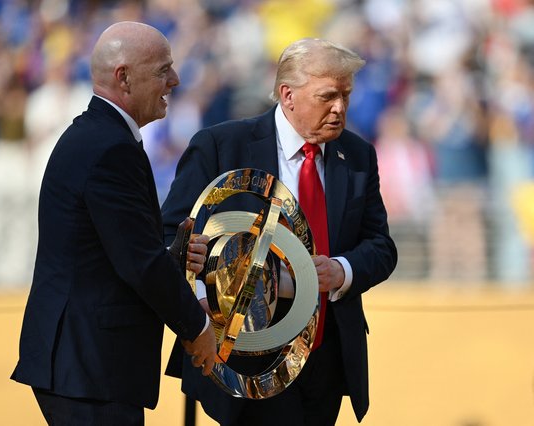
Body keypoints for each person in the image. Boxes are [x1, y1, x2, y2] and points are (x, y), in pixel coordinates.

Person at [162, 38, 398, 425]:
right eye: (328, 96)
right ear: (287, 95)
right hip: (242, 348)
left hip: (325, 354)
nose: (340, 108)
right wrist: (202, 301)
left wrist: (343, 270)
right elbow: (171, 234)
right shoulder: (222, 146)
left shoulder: (357, 156)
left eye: (346, 95)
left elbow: (381, 246)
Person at [10, 21, 217, 426]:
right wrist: (197, 326)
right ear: (123, 77)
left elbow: (112, 251)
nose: (174, 80)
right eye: (162, 70)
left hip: (84, 364)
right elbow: (138, 263)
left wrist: (172, 256)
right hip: (87, 367)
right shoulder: (109, 148)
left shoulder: (101, 136)